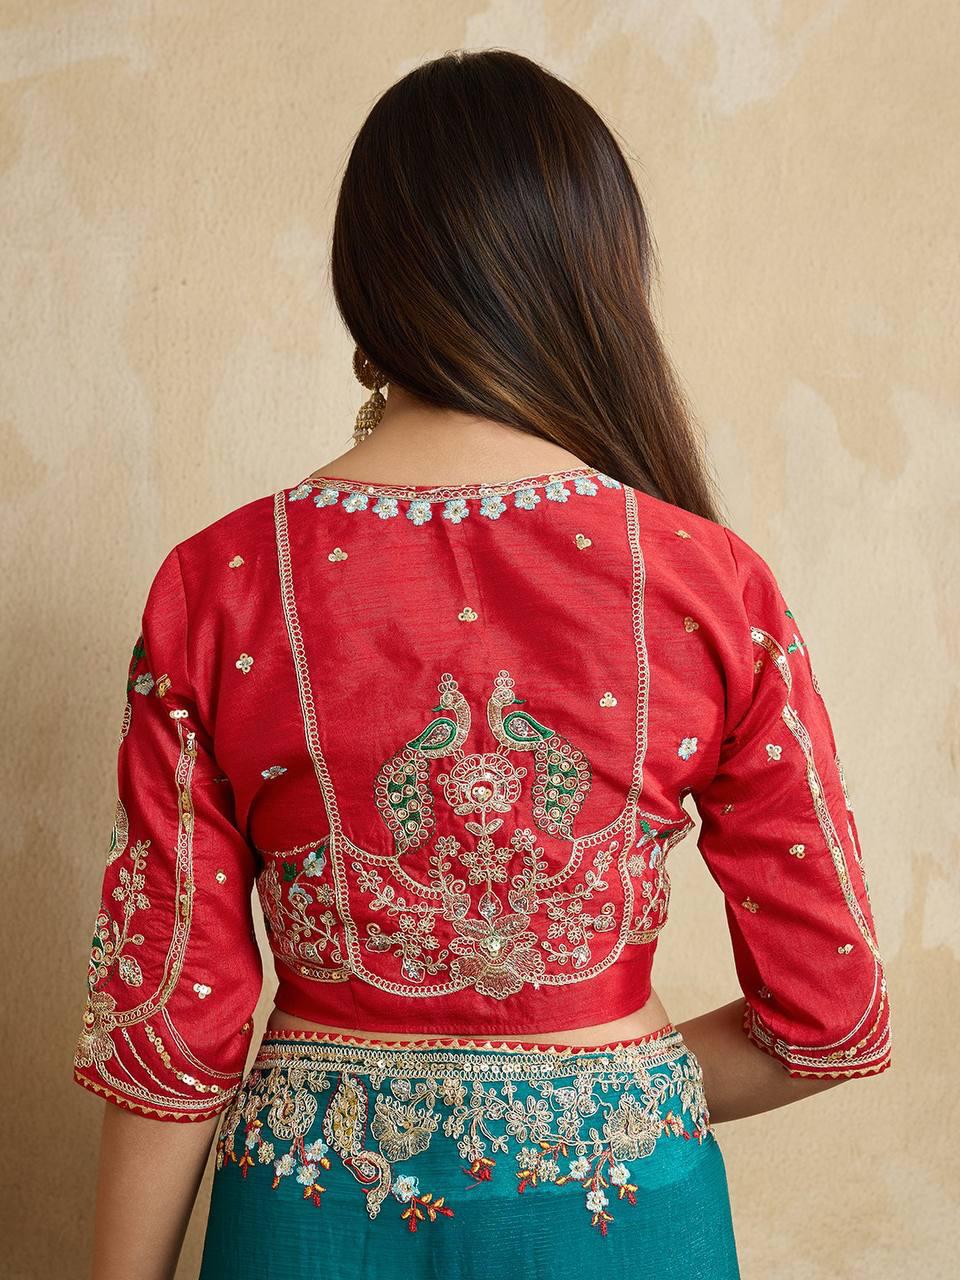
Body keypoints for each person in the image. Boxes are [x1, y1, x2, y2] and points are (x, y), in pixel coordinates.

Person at [73, 49, 891, 1280]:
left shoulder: (226, 584)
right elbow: (831, 1017)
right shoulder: (708, 582)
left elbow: (169, 1033)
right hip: (619, 1211)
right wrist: (605, 1084)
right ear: (597, 278)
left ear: (365, 281)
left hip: (309, 1213)